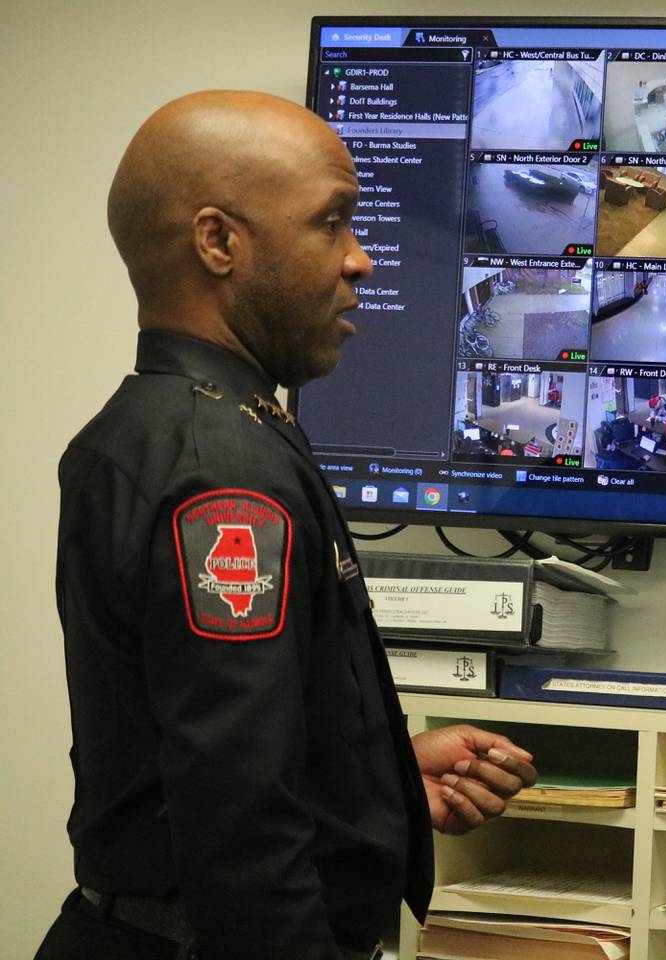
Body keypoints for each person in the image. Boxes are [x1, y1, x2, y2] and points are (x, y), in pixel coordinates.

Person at [37, 91, 538, 960]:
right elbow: (240, 827)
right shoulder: (223, 470)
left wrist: (370, 787)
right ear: (218, 242)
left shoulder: (161, 425)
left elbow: (206, 748)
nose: (361, 261)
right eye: (332, 223)